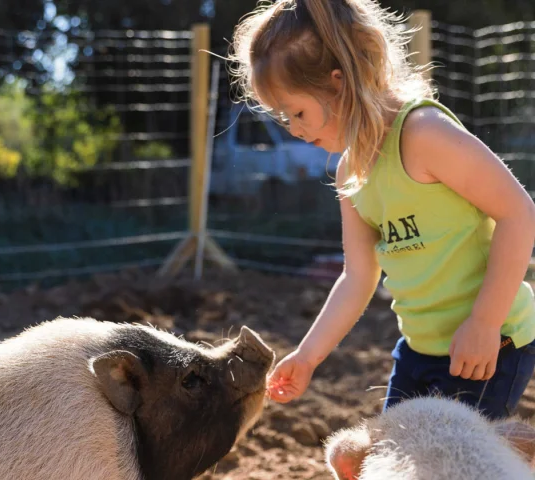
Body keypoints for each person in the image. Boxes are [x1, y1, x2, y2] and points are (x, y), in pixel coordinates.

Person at [228, 0, 535, 420]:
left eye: (297, 112)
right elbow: (357, 276)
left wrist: (484, 323)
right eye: (283, 119)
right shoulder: (349, 172)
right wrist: (308, 355)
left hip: (490, 343)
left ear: (339, 84)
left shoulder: (424, 135)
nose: (293, 130)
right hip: (417, 351)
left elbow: (519, 213)